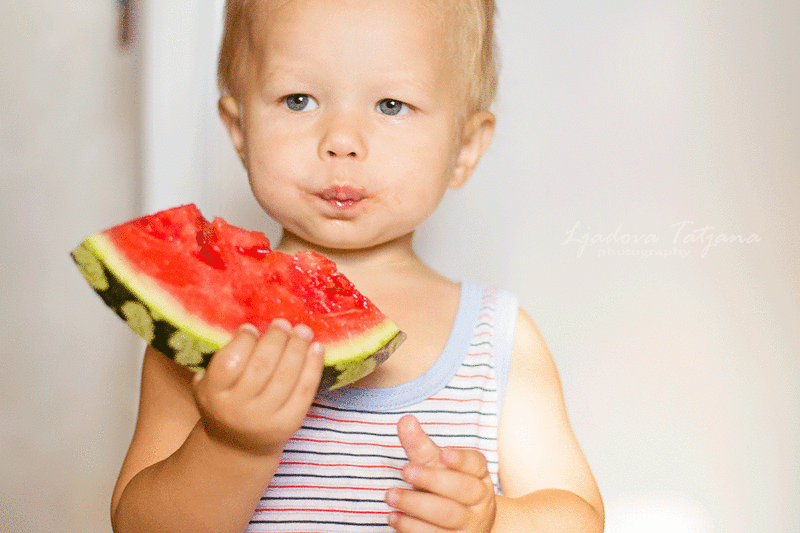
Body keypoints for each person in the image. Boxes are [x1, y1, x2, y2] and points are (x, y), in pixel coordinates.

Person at [110, 0, 604, 531]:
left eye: (391, 105)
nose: (341, 141)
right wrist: (231, 444)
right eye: (298, 100)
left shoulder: (498, 340)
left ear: (464, 147)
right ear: (239, 127)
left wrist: (492, 520)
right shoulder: (200, 333)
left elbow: (578, 518)